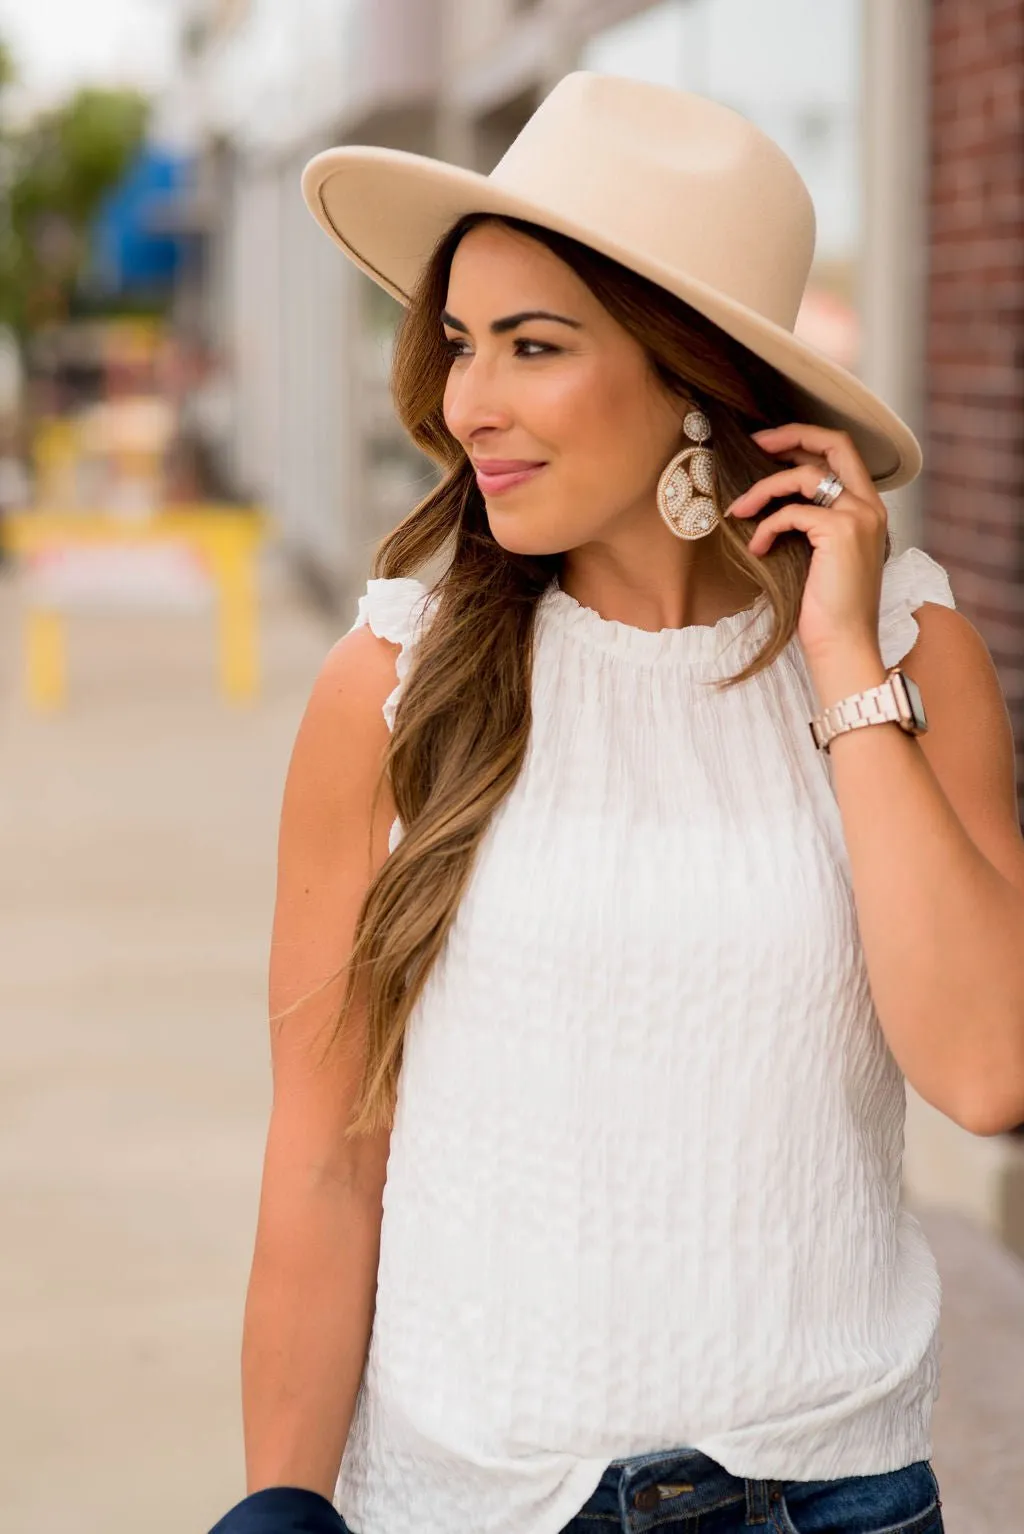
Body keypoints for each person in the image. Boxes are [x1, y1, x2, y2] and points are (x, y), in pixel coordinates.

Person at [210, 73, 1024, 1534]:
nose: (470, 403)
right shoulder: (388, 684)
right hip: (471, 1501)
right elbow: (328, 1152)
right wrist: (278, 1500)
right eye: (461, 344)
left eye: (534, 345)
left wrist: (840, 662)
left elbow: (989, 1065)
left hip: (834, 1498)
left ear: (689, 372)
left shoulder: (909, 651)